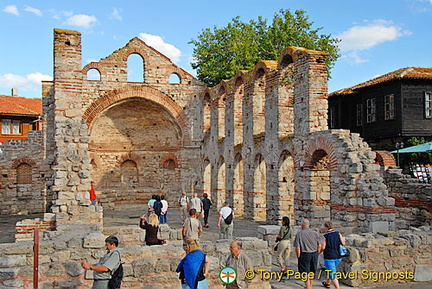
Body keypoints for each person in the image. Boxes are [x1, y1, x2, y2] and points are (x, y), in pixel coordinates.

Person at [293, 218, 322, 289]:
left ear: (302, 225)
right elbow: (320, 245)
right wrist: (317, 252)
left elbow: (297, 247)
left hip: (305, 254)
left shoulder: (299, 234)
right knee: (312, 270)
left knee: (304, 271)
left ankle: (308, 287)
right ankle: (310, 285)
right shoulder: (315, 233)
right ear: (308, 225)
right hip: (314, 253)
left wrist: (298, 255)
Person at [321, 221, 346, 289]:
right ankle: (328, 283)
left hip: (329, 256)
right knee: (331, 269)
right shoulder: (338, 233)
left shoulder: (325, 236)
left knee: (332, 273)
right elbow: (343, 243)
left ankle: (337, 287)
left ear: (326, 228)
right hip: (338, 255)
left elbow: (323, 247)